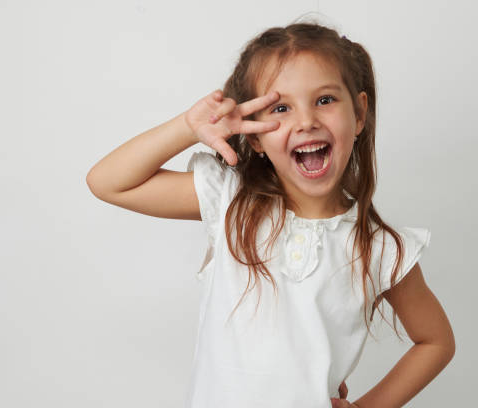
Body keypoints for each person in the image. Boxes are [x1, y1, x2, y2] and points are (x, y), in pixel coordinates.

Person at [86, 21, 455, 408]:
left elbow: (436, 341)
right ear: (255, 137)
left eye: (325, 100)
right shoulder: (232, 203)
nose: (306, 121)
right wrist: (188, 127)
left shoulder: (378, 247)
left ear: (359, 113)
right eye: (281, 108)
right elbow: (108, 182)